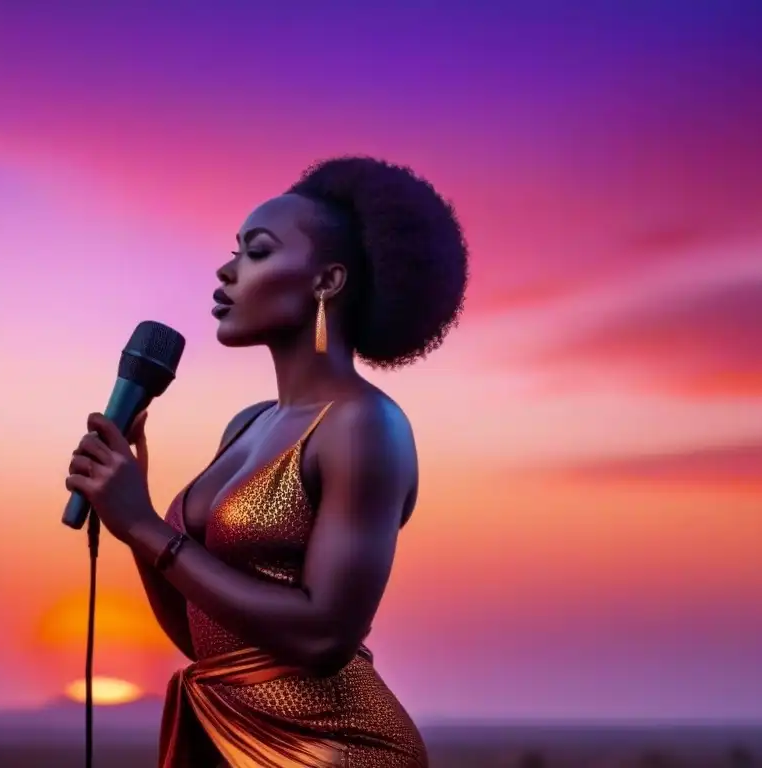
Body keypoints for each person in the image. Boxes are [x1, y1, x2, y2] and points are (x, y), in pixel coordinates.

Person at [65, 156, 469, 767]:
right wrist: (130, 522)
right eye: (235, 251)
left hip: (338, 751)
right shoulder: (248, 425)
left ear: (326, 282)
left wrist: (146, 526)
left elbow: (323, 634)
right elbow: (208, 643)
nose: (226, 271)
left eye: (256, 252)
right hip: (226, 733)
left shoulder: (364, 425)